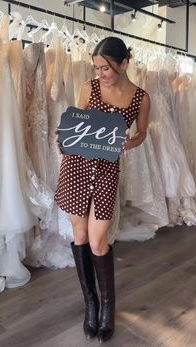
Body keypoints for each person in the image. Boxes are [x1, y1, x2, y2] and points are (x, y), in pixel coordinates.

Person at [55, 36, 150, 343]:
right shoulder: (89, 88)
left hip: (108, 171)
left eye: (105, 68)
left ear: (123, 64)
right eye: (95, 68)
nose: (99, 74)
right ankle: (91, 304)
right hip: (77, 168)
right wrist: (64, 136)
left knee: (98, 242)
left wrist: (130, 142)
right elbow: (76, 121)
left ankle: (108, 305)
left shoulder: (141, 98)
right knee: (80, 237)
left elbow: (142, 133)